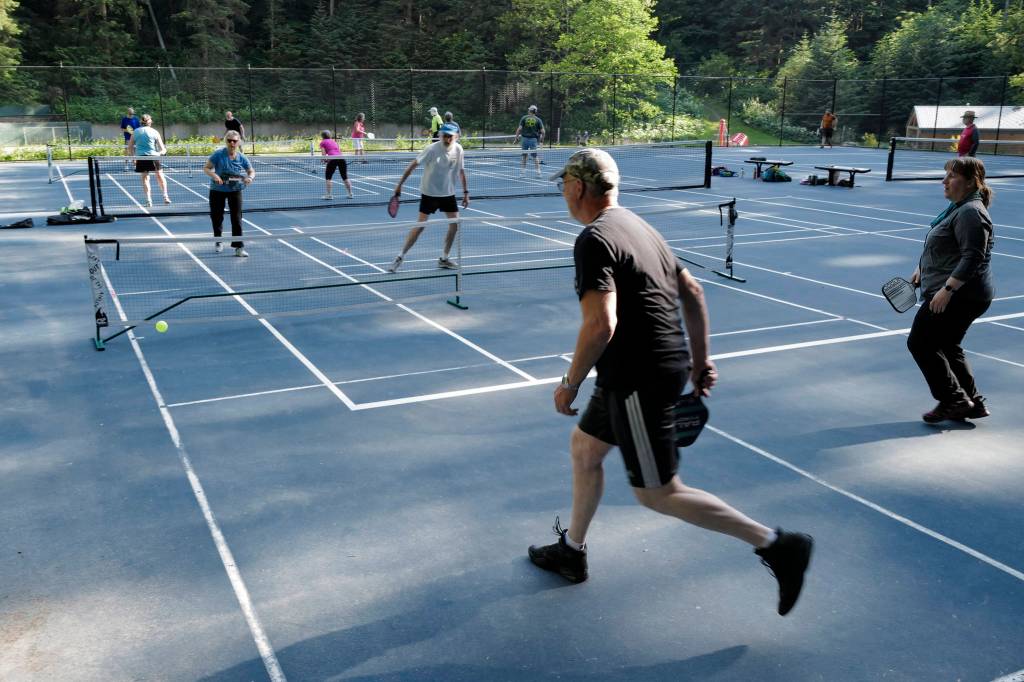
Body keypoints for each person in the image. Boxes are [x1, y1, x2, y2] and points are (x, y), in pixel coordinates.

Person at [527, 148, 814, 617]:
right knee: (585, 448)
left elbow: (601, 325)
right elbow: (693, 292)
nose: (562, 191)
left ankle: (778, 544)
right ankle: (572, 552)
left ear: (578, 187)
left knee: (658, 493)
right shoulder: (640, 227)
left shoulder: (594, 239)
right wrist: (700, 363)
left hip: (637, 379)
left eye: (564, 184)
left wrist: (569, 383)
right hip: (648, 369)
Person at [907, 156, 994, 423]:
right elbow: (948, 247)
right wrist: (922, 269)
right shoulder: (958, 208)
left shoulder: (970, 212)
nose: (944, 181)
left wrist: (947, 289)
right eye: (945, 175)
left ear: (970, 182)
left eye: (952, 176)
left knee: (920, 343)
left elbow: (972, 256)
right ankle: (974, 403)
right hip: (962, 292)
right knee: (947, 344)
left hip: (959, 295)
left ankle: (953, 399)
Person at [386, 123, 469, 273]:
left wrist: (465, 192)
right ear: (440, 135)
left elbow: (461, 171)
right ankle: (400, 257)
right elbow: (412, 166)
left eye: (450, 136)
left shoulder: (459, 150)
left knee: (455, 224)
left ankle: (444, 258)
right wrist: (399, 185)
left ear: (456, 136)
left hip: (448, 194)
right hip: (429, 193)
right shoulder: (431, 149)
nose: (447, 138)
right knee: (420, 227)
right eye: (445, 135)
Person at [203, 131, 255, 258]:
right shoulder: (218, 154)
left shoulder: (241, 157)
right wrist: (214, 175)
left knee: (236, 219)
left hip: (235, 190)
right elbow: (206, 168)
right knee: (217, 217)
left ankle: (239, 247)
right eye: (229, 140)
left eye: (235, 141)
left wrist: (250, 178)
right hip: (217, 190)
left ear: (238, 142)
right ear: (226, 141)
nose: (232, 143)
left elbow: (251, 171)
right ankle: (218, 241)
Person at [127, 113, 170, 207]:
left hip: (141, 158)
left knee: (145, 178)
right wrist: (160, 153)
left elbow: (129, 147)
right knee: (160, 176)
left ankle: (148, 200)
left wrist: (133, 158)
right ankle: (165, 196)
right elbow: (163, 149)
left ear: (141, 122)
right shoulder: (155, 131)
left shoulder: (135, 132)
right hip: (154, 157)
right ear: (149, 121)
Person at [318, 130, 353, 200]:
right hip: (341, 158)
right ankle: (350, 194)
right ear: (329, 135)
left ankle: (329, 195)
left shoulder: (322, 142)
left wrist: (324, 160)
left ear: (322, 136)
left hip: (333, 159)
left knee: (328, 178)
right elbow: (338, 151)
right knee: (345, 177)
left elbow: (324, 154)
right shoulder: (334, 141)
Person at [514, 105, 545, 176]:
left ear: (529, 111)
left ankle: (522, 172)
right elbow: (543, 132)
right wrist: (542, 139)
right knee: (535, 156)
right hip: (533, 140)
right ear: (535, 112)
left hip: (524, 139)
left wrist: (516, 138)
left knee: (524, 156)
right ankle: (538, 172)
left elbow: (519, 129)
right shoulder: (538, 120)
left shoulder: (524, 118)